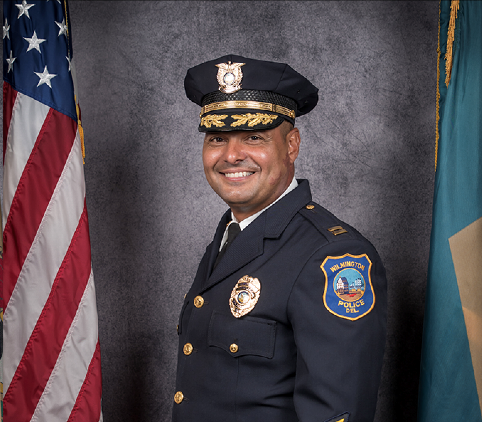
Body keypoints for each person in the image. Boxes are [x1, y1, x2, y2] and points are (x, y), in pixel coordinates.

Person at [173, 54, 387, 422]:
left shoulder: (332, 256)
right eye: (217, 139)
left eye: (253, 136)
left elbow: (336, 412)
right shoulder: (229, 237)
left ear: (291, 145)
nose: (231, 155)